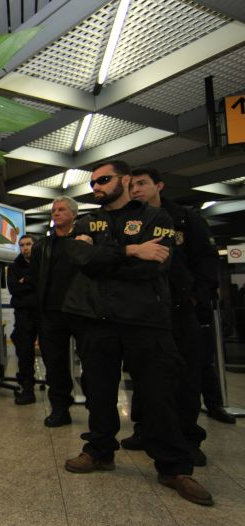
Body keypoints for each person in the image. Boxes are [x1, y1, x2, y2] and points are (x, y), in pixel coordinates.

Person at [61, 160, 213, 506]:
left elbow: (152, 266)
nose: (96, 186)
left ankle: (174, 466)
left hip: (145, 319)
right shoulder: (86, 220)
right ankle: (99, 450)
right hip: (97, 318)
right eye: (93, 181)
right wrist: (131, 250)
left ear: (125, 180)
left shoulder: (156, 218)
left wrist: (101, 257)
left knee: (159, 392)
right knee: (98, 391)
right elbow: (80, 258)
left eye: (103, 179)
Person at [126, 167, 215, 464]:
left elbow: (205, 259)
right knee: (143, 372)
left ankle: (189, 437)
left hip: (179, 306)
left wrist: (196, 296)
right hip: (144, 309)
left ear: (159, 186)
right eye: (132, 184)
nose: (136, 189)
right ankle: (145, 429)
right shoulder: (130, 220)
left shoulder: (185, 218)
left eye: (142, 183)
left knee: (187, 372)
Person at [29, 197, 81, 426]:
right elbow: (34, 278)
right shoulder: (43, 245)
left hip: (81, 311)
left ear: (73, 214)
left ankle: (99, 410)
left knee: (93, 362)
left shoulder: (85, 240)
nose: (56, 213)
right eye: (53, 210)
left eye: (61, 210)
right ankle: (60, 409)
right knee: (55, 365)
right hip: (51, 312)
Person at [8, 234, 38, 405]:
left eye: (28, 244)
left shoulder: (41, 263)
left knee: (50, 353)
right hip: (23, 315)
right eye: (22, 245)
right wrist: (30, 282)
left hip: (42, 313)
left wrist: (25, 280)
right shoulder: (14, 266)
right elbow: (14, 288)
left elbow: (42, 285)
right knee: (24, 353)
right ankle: (27, 389)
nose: (25, 248)